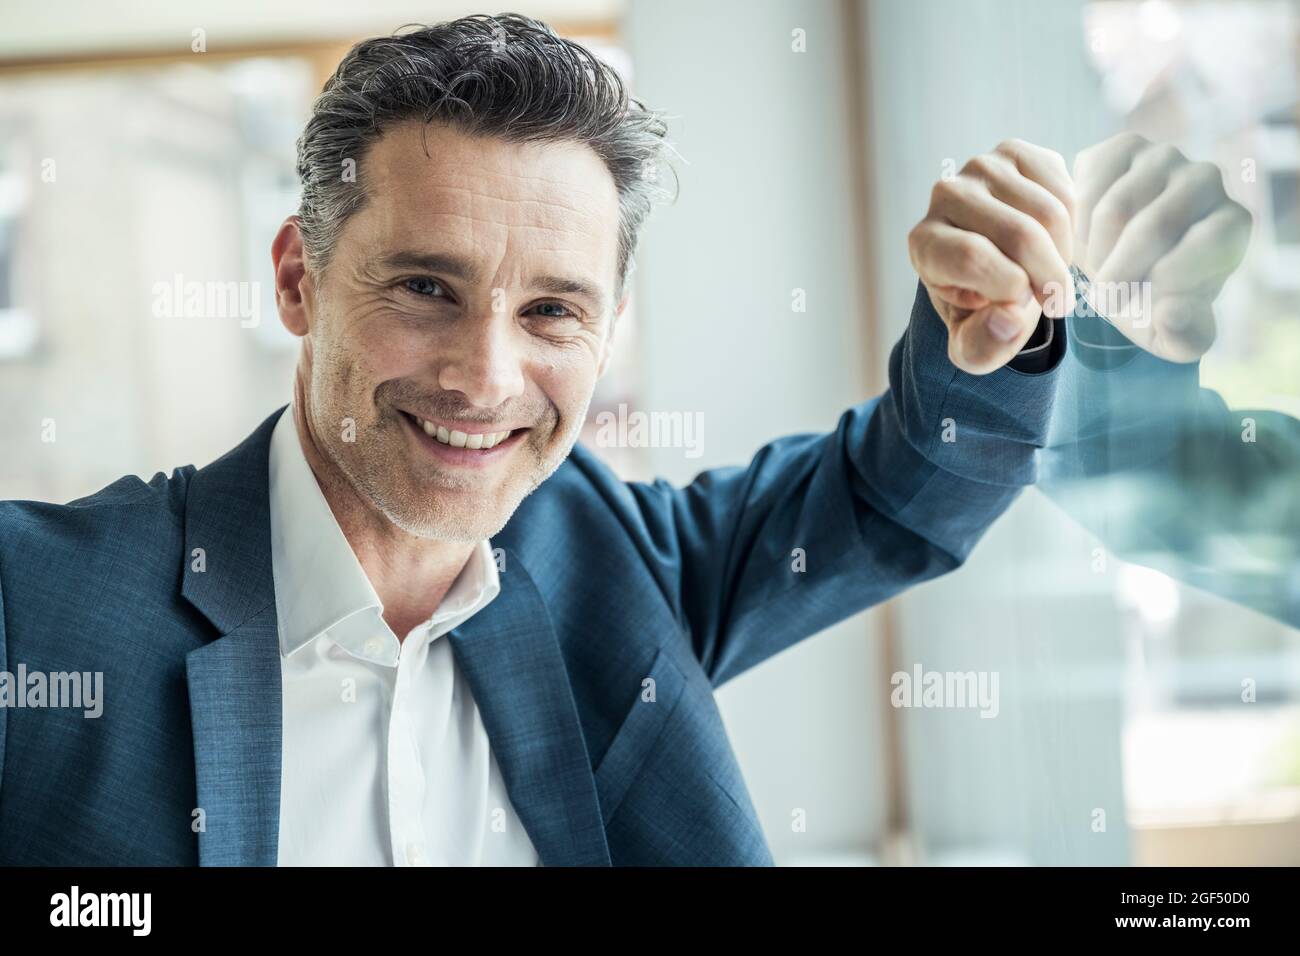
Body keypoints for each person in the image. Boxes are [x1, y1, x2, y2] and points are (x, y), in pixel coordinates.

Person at [0, 15, 1243, 866]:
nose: (488, 375)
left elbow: (886, 502)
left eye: (552, 310)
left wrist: (992, 345)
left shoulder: (611, 565)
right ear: (297, 280)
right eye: (425, 288)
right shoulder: (41, 609)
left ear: (611, 327)